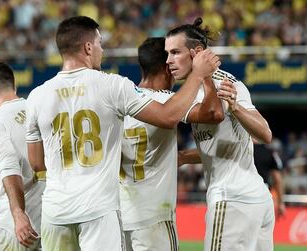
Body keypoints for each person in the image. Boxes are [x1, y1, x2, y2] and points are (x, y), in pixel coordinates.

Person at [25, 16, 220, 251]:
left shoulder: (36, 96)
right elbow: (174, 116)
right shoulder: (112, 86)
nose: (102, 49)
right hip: (101, 211)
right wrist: (199, 75)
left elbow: (36, 163)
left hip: (55, 211)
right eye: (99, 43)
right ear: (88, 47)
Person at [172, 18, 274, 251]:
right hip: (258, 198)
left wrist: (235, 108)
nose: (169, 60)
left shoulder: (200, 91)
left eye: (175, 52)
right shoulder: (232, 82)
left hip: (231, 198)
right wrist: (184, 157)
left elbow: (264, 134)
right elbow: (222, 142)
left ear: (197, 53)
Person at [120, 37, 224, 251]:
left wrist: (184, 156)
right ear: (167, 67)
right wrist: (203, 75)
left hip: (119, 217)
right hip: (154, 216)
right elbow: (214, 112)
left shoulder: (122, 101)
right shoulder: (167, 101)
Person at [0, 61, 45, 251]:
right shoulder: (39, 109)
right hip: (49, 220)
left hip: (14, 225)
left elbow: (9, 166)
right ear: (14, 86)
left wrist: (18, 213)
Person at [254, 142, 285, 218]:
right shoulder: (270, 152)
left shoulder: (242, 149)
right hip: (262, 194)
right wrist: (280, 202)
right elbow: (277, 179)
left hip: (242, 194)